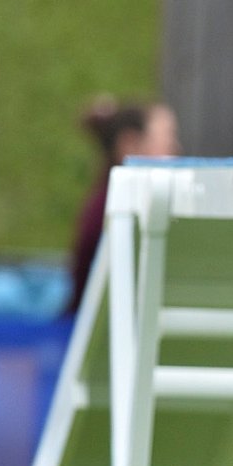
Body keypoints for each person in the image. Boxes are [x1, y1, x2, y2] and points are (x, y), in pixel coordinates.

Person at [65, 97, 180, 315]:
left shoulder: (108, 203)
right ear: (130, 144)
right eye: (169, 139)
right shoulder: (115, 212)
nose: (176, 149)